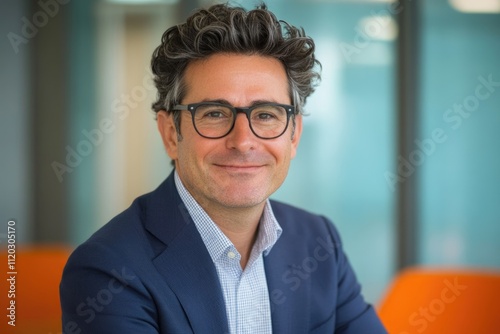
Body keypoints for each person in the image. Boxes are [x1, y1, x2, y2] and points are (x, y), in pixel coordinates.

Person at [60, 3, 387, 333]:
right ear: (171, 133)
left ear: (294, 134)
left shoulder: (320, 243)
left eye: (266, 114)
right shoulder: (108, 270)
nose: (243, 141)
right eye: (214, 113)